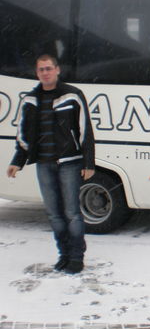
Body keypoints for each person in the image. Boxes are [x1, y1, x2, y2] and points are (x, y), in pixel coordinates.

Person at [6, 53, 95, 274]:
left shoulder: (72, 95)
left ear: (57, 70)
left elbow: (86, 131)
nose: (45, 73)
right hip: (44, 164)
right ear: (37, 73)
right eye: (41, 70)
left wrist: (89, 162)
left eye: (48, 68)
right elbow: (23, 134)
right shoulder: (30, 99)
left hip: (70, 163)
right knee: (54, 213)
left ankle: (76, 257)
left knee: (72, 212)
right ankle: (63, 254)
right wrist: (18, 161)